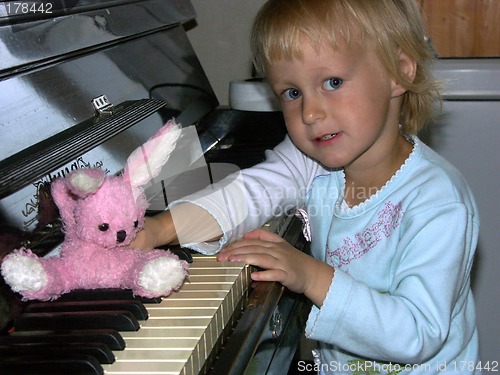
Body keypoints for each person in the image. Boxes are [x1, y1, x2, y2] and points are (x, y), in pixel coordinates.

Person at [133, 0, 480, 373]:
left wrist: (311, 274)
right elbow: (248, 191)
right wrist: (160, 227)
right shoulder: (312, 160)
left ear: (398, 71)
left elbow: (417, 333)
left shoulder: (436, 202)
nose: (310, 113)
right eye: (292, 93)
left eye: (332, 83)